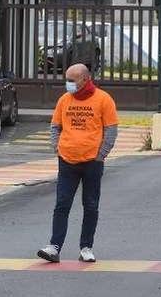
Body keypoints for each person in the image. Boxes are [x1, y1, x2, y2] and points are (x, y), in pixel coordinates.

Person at [37, 63, 118, 264]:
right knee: (62, 204)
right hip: (67, 162)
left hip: (92, 162)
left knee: (90, 205)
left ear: (84, 79)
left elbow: (111, 129)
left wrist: (101, 154)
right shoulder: (64, 100)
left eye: (71, 80)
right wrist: (57, 148)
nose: (68, 84)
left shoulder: (103, 99)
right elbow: (55, 126)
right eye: (67, 80)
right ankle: (54, 247)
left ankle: (86, 247)